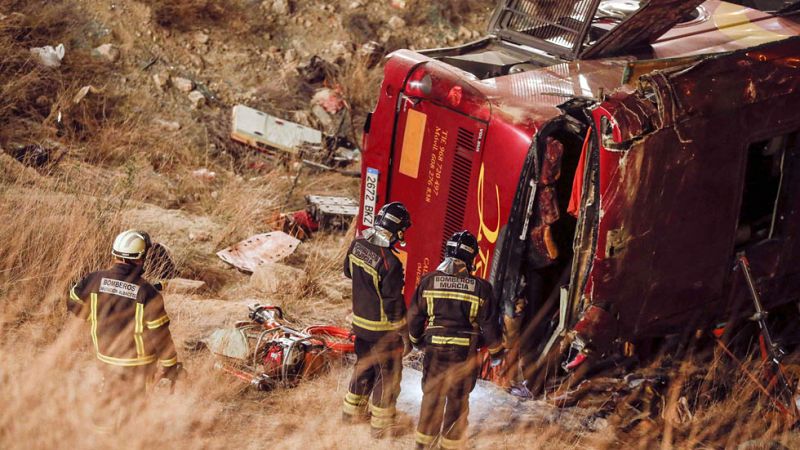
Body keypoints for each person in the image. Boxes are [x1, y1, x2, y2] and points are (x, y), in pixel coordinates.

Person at [408, 230, 503, 450]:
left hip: (434, 352)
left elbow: (414, 317)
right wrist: (497, 352)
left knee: (431, 398)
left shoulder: (429, 281)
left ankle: (423, 446)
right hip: (464, 355)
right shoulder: (481, 288)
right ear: (472, 258)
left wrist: (416, 341)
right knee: (457, 401)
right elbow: (490, 326)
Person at [67, 230, 180, 395]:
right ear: (140, 259)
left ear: (114, 255)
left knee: (110, 395)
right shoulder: (147, 293)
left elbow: (72, 300)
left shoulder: (94, 279)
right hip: (139, 363)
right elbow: (160, 335)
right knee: (135, 404)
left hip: (105, 355)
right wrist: (170, 365)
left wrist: (94, 318)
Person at [341, 202, 412, 437]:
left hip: (360, 325)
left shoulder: (357, 244)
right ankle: (382, 427)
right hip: (383, 331)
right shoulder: (390, 262)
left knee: (364, 368)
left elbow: (348, 272)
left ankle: (352, 414)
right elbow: (393, 303)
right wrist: (404, 332)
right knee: (387, 375)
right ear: (396, 230)